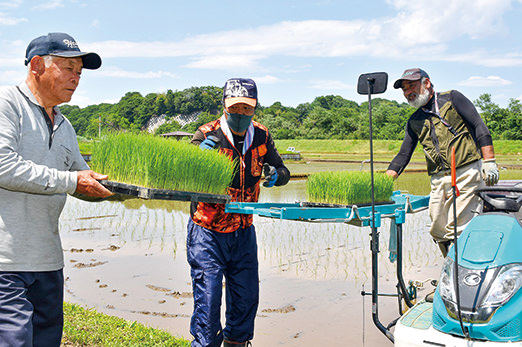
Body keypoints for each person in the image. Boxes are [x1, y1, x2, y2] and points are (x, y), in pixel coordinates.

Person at [0, 32, 112, 346]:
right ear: (37, 65)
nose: (76, 78)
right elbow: (2, 165)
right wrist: (72, 180)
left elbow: (81, 179)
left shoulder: (65, 125)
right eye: (68, 69)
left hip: (48, 263)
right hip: (6, 264)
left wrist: (130, 188)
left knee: (46, 341)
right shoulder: (7, 104)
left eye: (79, 72)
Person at [187, 78, 290, 347]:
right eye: (236, 108)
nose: (241, 114)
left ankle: (237, 343)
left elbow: (283, 170)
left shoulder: (262, 136)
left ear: (255, 108)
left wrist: (275, 175)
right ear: (224, 105)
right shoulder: (207, 134)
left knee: (245, 300)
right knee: (208, 303)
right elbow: (180, 177)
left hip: (244, 232)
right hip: (208, 232)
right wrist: (197, 157)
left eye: (247, 108)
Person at [386, 68, 499, 257]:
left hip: (466, 173)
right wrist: (384, 181)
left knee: (459, 227)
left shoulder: (452, 100)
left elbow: (480, 126)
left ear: (427, 83)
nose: (407, 93)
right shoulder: (414, 121)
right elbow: (403, 155)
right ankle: (451, 264)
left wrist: (489, 161)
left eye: (411, 86)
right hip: (439, 180)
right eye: (404, 89)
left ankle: (463, 272)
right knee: (437, 229)